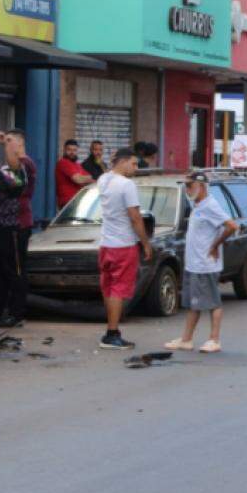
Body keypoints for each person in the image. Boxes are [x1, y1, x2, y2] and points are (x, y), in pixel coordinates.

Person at [166, 172, 238, 354]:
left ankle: (214, 339)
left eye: (190, 185)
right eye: (186, 186)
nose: (187, 189)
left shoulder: (211, 206)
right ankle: (186, 339)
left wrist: (215, 245)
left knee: (213, 302)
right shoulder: (197, 205)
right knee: (193, 303)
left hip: (205, 264)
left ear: (202, 187)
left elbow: (232, 226)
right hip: (194, 263)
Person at [0, 129, 36, 328]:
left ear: (20, 144)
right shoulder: (7, 169)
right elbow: (1, 189)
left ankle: (16, 313)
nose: (5, 143)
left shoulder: (26, 165)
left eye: (10, 141)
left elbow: (16, 166)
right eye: (5, 141)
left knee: (15, 271)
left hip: (15, 227)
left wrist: (7, 143)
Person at [97, 147, 153, 349]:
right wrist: (145, 243)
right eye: (133, 163)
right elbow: (135, 217)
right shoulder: (126, 185)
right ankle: (112, 333)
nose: (136, 168)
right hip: (123, 244)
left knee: (109, 287)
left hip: (106, 243)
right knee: (118, 289)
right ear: (122, 161)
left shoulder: (103, 180)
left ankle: (111, 329)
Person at [54, 138, 92, 209]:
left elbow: (90, 179)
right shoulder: (63, 163)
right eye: (69, 150)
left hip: (77, 202)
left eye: (74, 150)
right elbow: (78, 180)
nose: (72, 152)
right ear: (64, 150)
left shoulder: (77, 165)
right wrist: (83, 179)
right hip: (67, 204)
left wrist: (84, 179)